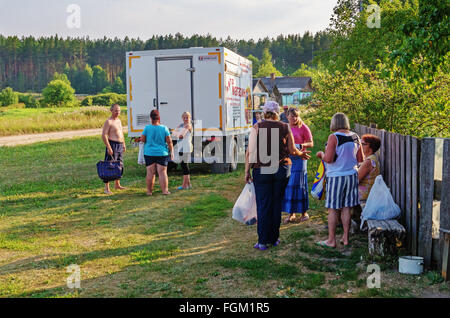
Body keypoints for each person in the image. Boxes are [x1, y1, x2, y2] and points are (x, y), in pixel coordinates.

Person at [245, 101, 311, 251]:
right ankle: (274, 239)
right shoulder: (284, 127)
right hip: (281, 170)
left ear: (264, 112)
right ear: (277, 112)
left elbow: (250, 152)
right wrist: (301, 154)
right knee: (276, 203)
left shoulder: (257, 127)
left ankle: (262, 241)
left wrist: (246, 171)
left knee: (263, 205)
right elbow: (292, 150)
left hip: (262, 170)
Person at [316, 112, 363, 248]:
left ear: (334, 123)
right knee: (346, 208)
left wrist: (321, 154)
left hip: (336, 176)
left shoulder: (334, 137)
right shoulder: (355, 136)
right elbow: (361, 159)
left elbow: (329, 159)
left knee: (333, 209)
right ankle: (346, 237)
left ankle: (331, 240)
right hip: (351, 175)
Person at [282, 107, 314, 224]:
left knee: (299, 184)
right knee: (289, 185)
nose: (294, 118)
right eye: (292, 116)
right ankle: (291, 214)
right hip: (289, 159)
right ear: (287, 116)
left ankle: (304, 213)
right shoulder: (285, 127)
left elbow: (311, 143)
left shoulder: (303, 127)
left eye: (296, 116)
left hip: (300, 158)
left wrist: (300, 144)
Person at [139, 109, 174, 196]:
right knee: (162, 172)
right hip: (162, 153)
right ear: (159, 118)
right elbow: (169, 141)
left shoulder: (147, 128)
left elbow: (142, 140)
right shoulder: (164, 128)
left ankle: (149, 191)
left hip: (149, 153)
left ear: (151, 118)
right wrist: (172, 151)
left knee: (150, 172)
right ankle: (165, 191)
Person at [352, 134, 381, 227]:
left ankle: (345, 222)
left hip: (364, 194)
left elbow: (355, 180)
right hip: (368, 192)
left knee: (339, 194)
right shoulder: (371, 158)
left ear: (371, 147)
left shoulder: (368, 161)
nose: (361, 146)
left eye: (363, 144)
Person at [101, 104, 126, 194]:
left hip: (119, 145)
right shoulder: (108, 121)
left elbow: (121, 132)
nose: (117, 112)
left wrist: (123, 143)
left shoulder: (119, 121)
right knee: (109, 165)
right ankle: (106, 188)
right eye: (116, 110)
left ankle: (117, 184)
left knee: (119, 165)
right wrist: (109, 147)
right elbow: (104, 135)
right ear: (111, 110)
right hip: (112, 145)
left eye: (119, 110)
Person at [173, 111, 193, 190]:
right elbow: (174, 134)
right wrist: (177, 133)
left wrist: (177, 133)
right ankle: (188, 184)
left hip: (186, 148)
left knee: (184, 166)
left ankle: (184, 185)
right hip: (181, 147)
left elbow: (181, 136)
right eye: (184, 117)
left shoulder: (188, 125)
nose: (186, 119)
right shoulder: (181, 125)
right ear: (182, 118)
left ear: (189, 118)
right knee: (184, 165)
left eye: (187, 117)